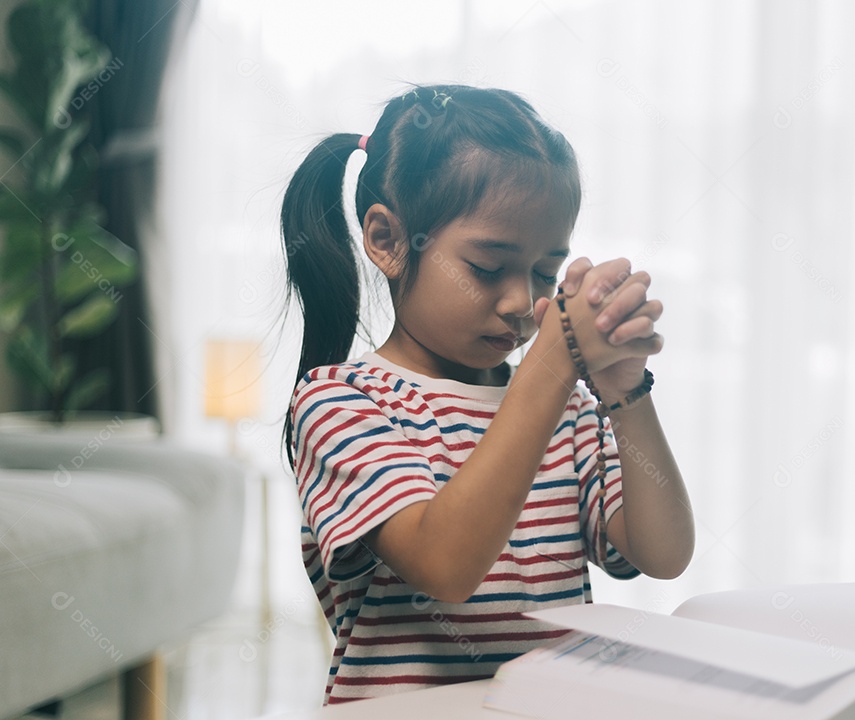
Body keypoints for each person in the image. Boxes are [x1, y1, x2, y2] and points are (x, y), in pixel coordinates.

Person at [280, 83, 694, 705]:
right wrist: (550, 368)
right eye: (487, 267)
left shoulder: (569, 413)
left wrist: (626, 393)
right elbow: (445, 564)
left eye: (546, 273)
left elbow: (663, 554)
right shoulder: (339, 403)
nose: (522, 302)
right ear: (389, 240)